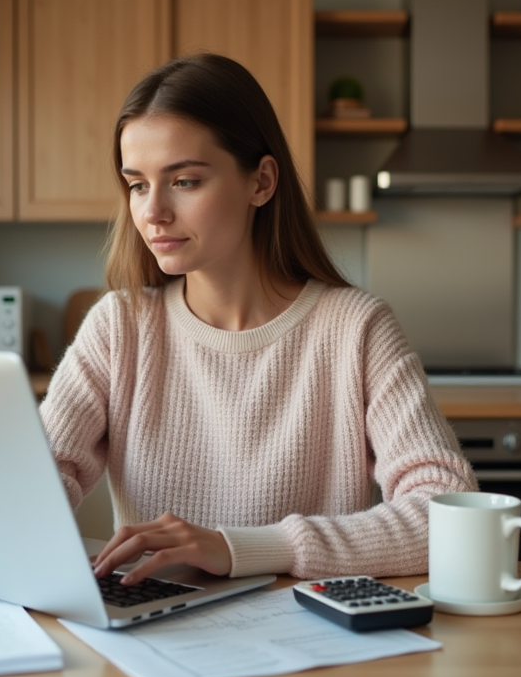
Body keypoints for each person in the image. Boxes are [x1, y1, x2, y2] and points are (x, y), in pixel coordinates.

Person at [39, 53, 475, 586]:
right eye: (137, 185)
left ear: (261, 182)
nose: (152, 213)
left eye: (185, 181)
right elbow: (36, 480)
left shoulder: (357, 330)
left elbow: (448, 515)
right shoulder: (119, 327)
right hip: (156, 627)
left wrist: (243, 549)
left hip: (309, 627)